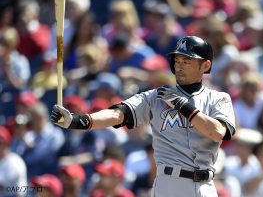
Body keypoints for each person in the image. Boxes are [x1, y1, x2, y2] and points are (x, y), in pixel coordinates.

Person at [51, 36, 236, 197]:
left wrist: (183, 107)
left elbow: (217, 132)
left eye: (186, 61)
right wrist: (78, 121)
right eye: (177, 60)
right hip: (167, 184)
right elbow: (118, 114)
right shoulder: (157, 96)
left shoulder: (218, 98)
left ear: (206, 65)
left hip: (203, 184)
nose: (179, 66)